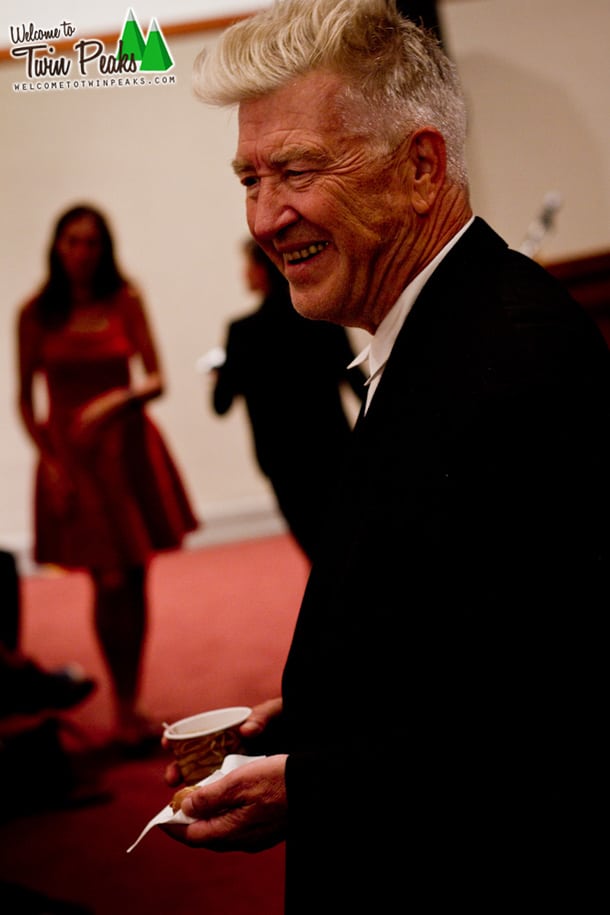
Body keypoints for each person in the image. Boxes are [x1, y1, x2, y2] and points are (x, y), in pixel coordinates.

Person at [161, 1, 609, 910]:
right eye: (248, 178)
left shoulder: (512, 360)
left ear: (420, 167)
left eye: (294, 171)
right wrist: (325, 710)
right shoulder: (447, 329)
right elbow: (470, 634)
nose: (264, 216)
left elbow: (566, 710)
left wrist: (317, 784)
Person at [16, 204, 199, 752]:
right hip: (73, 462)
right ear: (56, 246)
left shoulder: (127, 298)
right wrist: (49, 462)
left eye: (92, 242)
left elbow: (156, 377)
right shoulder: (35, 312)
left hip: (128, 451)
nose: (82, 252)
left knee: (137, 573)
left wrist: (115, 401)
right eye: (72, 241)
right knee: (107, 578)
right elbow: (24, 398)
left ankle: (128, 701)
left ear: (105, 247)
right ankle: (122, 705)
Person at [210, 238, 365, 562]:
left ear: (263, 271)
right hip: (333, 450)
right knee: (351, 546)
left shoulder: (242, 332)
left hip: (281, 460)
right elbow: (361, 387)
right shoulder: (324, 320)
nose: (244, 274)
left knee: (317, 552)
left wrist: (221, 373)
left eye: (248, 265)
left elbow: (220, 404)